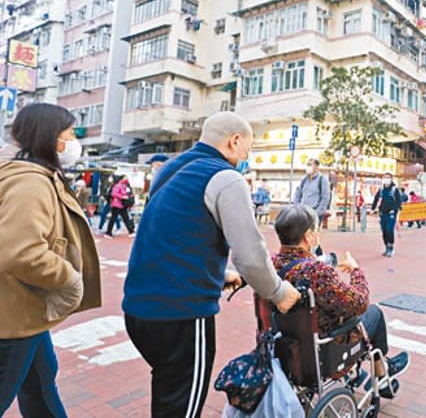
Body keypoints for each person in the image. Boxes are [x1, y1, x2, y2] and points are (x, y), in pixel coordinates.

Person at [122, 112, 301, 418]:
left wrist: (218, 277)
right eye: (248, 148)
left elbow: (173, 237)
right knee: (182, 408)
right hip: (181, 316)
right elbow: (250, 255)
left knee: (169, 392)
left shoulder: (168, 170)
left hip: (138, 312)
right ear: (234, 141)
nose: (246, 156)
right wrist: (279, 292)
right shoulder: (226, 178)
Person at [0, 103, 101, 417]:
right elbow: (22, 252)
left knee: (41, 383)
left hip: (27, 309)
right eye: (69, 133)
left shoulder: (32, 175)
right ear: (51, 137)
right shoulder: (30, 182)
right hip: (14, 314)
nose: (73, 140)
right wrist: (69, 278)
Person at [272, 205, 409, 397]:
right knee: (374, 313)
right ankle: (382, 372)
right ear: (309, 236)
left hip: (288, 345)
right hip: (325, 347)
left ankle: (379, 371)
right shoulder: (317, 273)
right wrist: (355, 271)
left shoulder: (271, 266)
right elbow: (359, 303)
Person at [294, 158, 331, 230]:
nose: (308, 167)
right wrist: (296, 208)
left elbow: (325, 198)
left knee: (312, 236)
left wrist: (317, 213)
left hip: (314, 212)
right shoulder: (304, 179)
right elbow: (298, 194)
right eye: (307, 165)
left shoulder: (322, 179)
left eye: (310, 165)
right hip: (303, 213)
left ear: (316, 167)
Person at [371, 173, 402, 257]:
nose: (386, 179)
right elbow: (376, 199)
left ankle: (391, 248)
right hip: (382, 214)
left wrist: (396, 211)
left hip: (391, 214)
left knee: (389, 230)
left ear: (391, 179)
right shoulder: (381, 189)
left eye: (388, 178)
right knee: (384, 232)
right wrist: (373, 208)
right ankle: (386, 247)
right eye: (384, 178)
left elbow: (399, 202)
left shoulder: (395, 189)